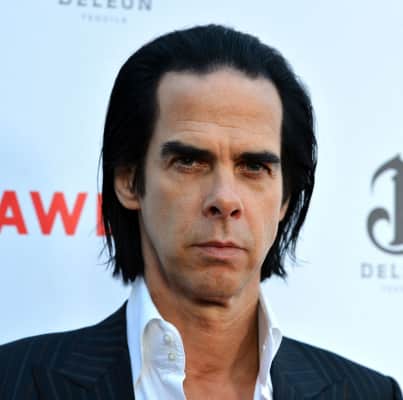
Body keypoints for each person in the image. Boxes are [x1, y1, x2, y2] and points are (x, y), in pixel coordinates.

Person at [0, 24, 401, 400]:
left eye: (254, 166)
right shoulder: (13, 380)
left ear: (285, 198)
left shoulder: (369, 394)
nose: (224, 199)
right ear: (128, 180)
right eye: (190, 162)